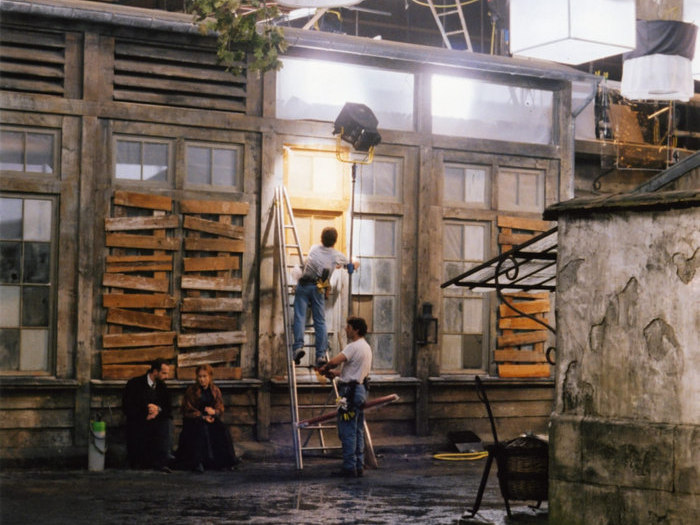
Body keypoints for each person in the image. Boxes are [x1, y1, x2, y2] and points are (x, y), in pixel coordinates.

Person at [293, 226, 357, 368]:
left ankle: (298, 347)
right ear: (335, 241)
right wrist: (352, 264)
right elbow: (350, 267)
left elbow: (317, 262)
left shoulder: (313, 248)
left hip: (303, 285)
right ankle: (321, 355)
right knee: (320, 322)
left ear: (321, 238)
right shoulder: (337, 255)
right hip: (318, 288)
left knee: (299, 317)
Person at [318, 316, 372, 478]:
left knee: (347, 429)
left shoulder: (353, 346)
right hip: (361, 389)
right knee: (358, 429)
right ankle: (359, 465)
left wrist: (324, 367)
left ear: (355, 329)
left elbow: (335, 361)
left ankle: (349, 467)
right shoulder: (366, 347)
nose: (346, 330)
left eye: (348, 327)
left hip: (349, 393)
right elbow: (353, 372)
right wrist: (336, 374)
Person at [175, 364, 240, 472]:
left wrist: (214, 412)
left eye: (204, 376)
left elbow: (220, 407)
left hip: (211, 418)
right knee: (201, 429)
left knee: (222, 428)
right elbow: (187, 409)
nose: (202, 379)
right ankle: (198, 462)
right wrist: (202, 416)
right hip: (194, 420)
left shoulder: (215, 390)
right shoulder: (191, 391)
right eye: (199, 376)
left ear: (210, 377)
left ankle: (225, 462)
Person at [122, 358, 173, 472]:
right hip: (139, 419)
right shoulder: (135, 384)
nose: (166, 376)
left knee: (166, 423)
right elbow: (127, 406)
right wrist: (146, 411)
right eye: (164, 373)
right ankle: (138, 461)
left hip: (157, 420)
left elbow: (168, 408)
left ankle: (162, 462)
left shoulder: (162, 386)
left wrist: (157, 410)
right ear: (155, 372)